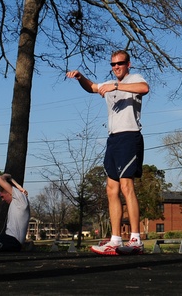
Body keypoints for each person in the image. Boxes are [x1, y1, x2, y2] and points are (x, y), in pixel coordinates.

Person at [67, 49, 150, 256]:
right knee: (111, 189)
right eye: (113, 64)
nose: (116, 67)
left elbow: (144, 88)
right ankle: (115, 239)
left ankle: (136, 239)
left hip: (130, 137)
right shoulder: (108, 83)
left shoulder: (134, 78)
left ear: (128, 64)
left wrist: (116, 85)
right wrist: (80, 77)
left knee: (126, 186)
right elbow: (92, 88)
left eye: (120, 63)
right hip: (113, 139)